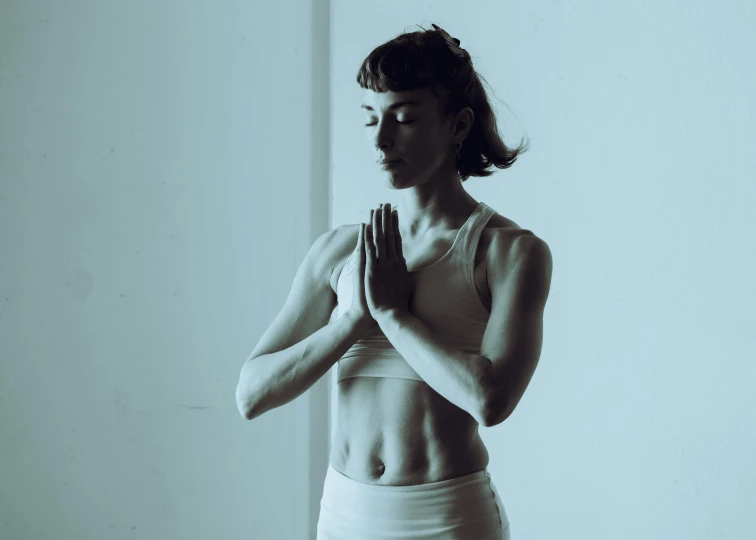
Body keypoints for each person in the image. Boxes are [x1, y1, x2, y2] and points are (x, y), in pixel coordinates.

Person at [236, 23, 553, 540]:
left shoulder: (510, 253)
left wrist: (392, 316)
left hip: (449, 517)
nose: (381, 140)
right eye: (370, 119)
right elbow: (251, 394)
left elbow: (491, 400)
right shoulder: (338, 251)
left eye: (404, 118)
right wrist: (350, 321)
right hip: (343, 513)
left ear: (458, 125)